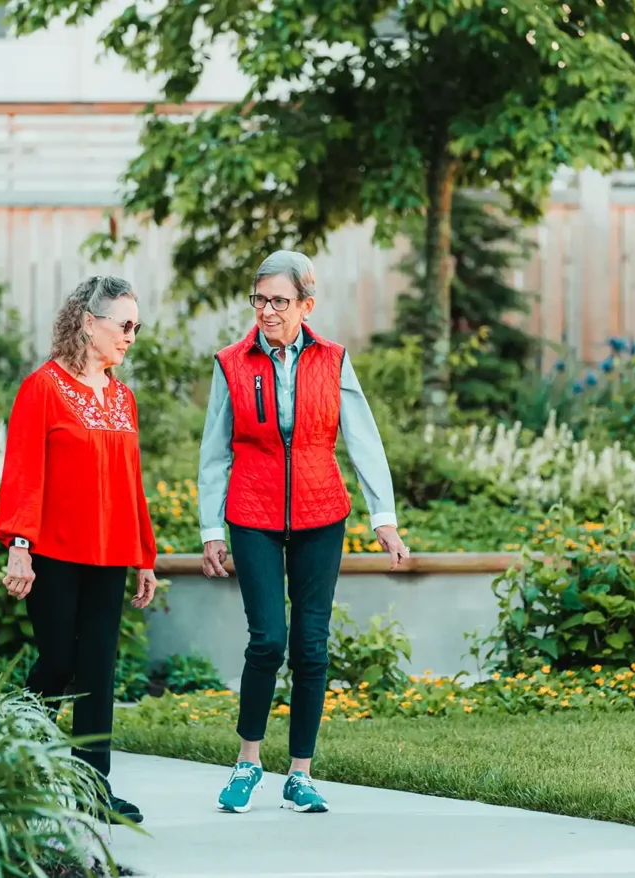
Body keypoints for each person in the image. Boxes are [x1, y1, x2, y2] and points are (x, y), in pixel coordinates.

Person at [198, 250, 409, 814]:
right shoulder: (231, 363)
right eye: (259, 300)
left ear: (306, 306)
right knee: (267, 639)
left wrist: (383, 519)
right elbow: (215, 449)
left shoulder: (334, 360)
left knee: (311, 647)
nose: (266, 311)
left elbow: (364, 440)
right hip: (252, 513)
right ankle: (247, 763)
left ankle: (300, 774)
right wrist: (210, 528)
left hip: (321, 513)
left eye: (279, 301)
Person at [0, 275, 159, 825]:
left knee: (97, 669)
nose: (131, 335)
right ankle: (16, 756)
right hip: (56, 554)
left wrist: (144, 554)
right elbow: (23, 471)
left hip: (110, 554)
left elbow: (131, 480)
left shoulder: (121, 398)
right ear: (90, 322)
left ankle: (93, 787)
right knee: (59, 660)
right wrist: (20, 546)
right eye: (124, 324)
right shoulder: (42, 387)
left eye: (137, 325)